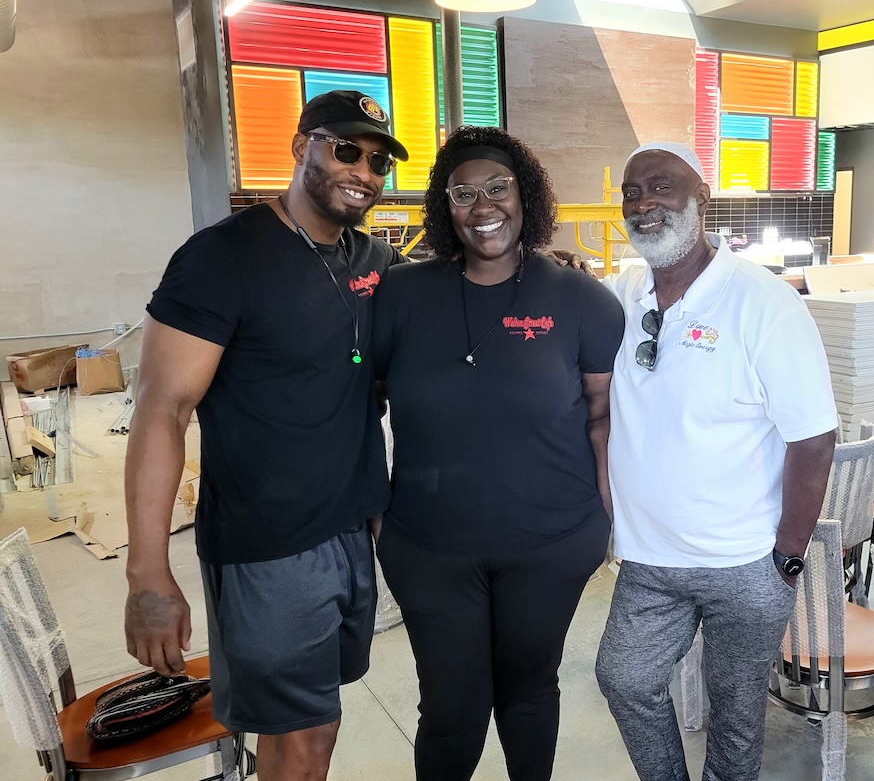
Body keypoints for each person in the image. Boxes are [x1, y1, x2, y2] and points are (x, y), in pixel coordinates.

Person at [124, 90, 409, 781]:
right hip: (268, 548)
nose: (363, 171)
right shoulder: (222, 258)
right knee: (305, 737)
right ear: (300, 145)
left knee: (313, 727)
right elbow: (162, 409)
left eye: (377, 160)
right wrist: (148, 572)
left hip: (349, 537)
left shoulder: (374, 259)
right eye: (346, 149)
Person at [370, 126, 625, 781]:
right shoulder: (400, 295)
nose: (484, 207)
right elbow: (359, 406)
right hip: (429, 547)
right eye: (464, 193)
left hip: (551, 542)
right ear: (444, 206)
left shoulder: (579, 300)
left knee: (530, 689)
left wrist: (605, 517)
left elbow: (604, 414)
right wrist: (373, 505)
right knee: (453, 707)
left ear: (525, 195)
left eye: (498, 188)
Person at [595, 142, 838, 781]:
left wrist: (785, 558)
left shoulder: (762, 302)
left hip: (744, 562)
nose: (644, 203)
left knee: (734, 726)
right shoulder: (622, 295)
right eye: (632, 191)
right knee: (624, 679)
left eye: (662, 187)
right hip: (649, 561)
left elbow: (813, 438)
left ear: (701, 198)